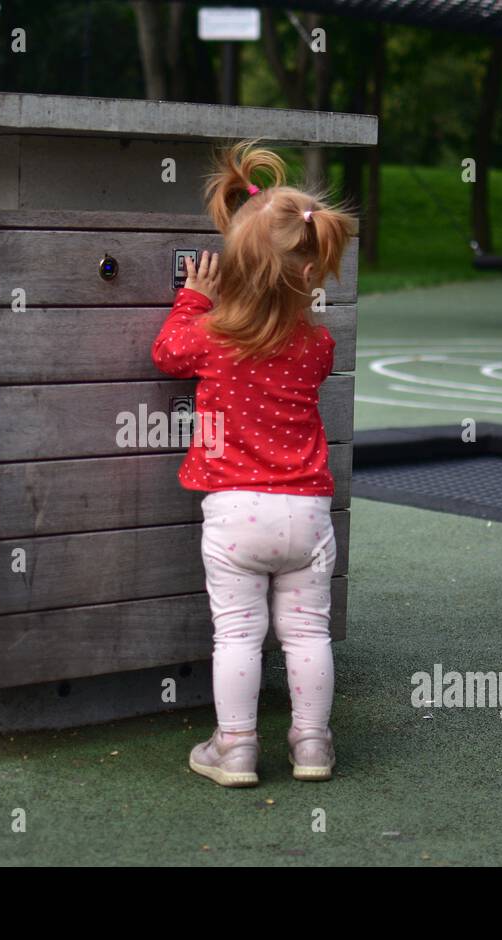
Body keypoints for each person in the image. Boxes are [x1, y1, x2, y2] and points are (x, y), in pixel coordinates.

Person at [151, 140, 354, 786]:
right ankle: (313, 745)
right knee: (307, 635)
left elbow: (165, 353)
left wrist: (193, 299)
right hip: (307, 515)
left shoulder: (210, 337)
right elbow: (291, 334)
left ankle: (235, 749)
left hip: (235, 514)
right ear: (309, 273)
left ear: (232, 270)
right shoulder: (315, 346)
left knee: (237, 636)